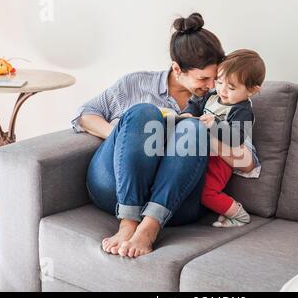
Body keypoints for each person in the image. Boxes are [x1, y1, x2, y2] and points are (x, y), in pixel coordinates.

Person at [71, 13, 259, 258]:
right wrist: (126, 136)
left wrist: (203, 133)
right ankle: (127, 223)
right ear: (177, 69)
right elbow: (84, 114)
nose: (213, 85)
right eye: (204, 78)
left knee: (192, 128)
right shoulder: (136, 84)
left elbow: (247, 163)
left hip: (177, 204)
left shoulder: (220, 102)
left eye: (216, 78)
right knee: (143, 113)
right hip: (114, 189)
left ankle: (149, 228)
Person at [180, 49, 265, 227]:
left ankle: (240, 215)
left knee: (207, 192)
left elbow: (236, 138)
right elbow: (194, 105)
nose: (222, 90)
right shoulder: (212, 95)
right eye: (219, 82)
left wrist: (214, 125)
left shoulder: (242, 110)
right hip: (204, 151)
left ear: (252, 91)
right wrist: (187, 115)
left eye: (231, 87)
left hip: (222, 160)